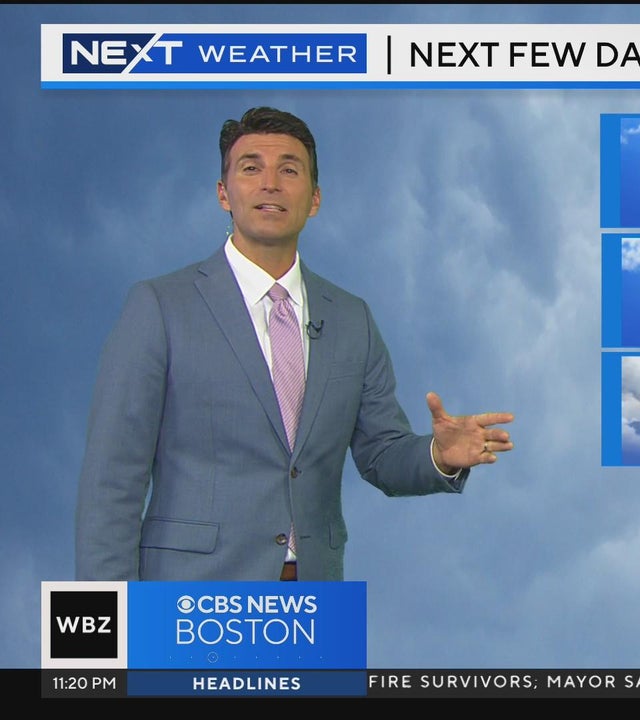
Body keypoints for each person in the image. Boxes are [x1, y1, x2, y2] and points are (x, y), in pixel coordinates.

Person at [75, 106, 513, 582]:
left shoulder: (352, 319)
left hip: (315, 594)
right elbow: (111, 481)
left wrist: (438, 455)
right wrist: (108, 621)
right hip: (190, 595)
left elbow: (382, 454)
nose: (270, 183)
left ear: (315, 198)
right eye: (251, 168)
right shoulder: (160, 307)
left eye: (289, 170)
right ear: (223, 194)